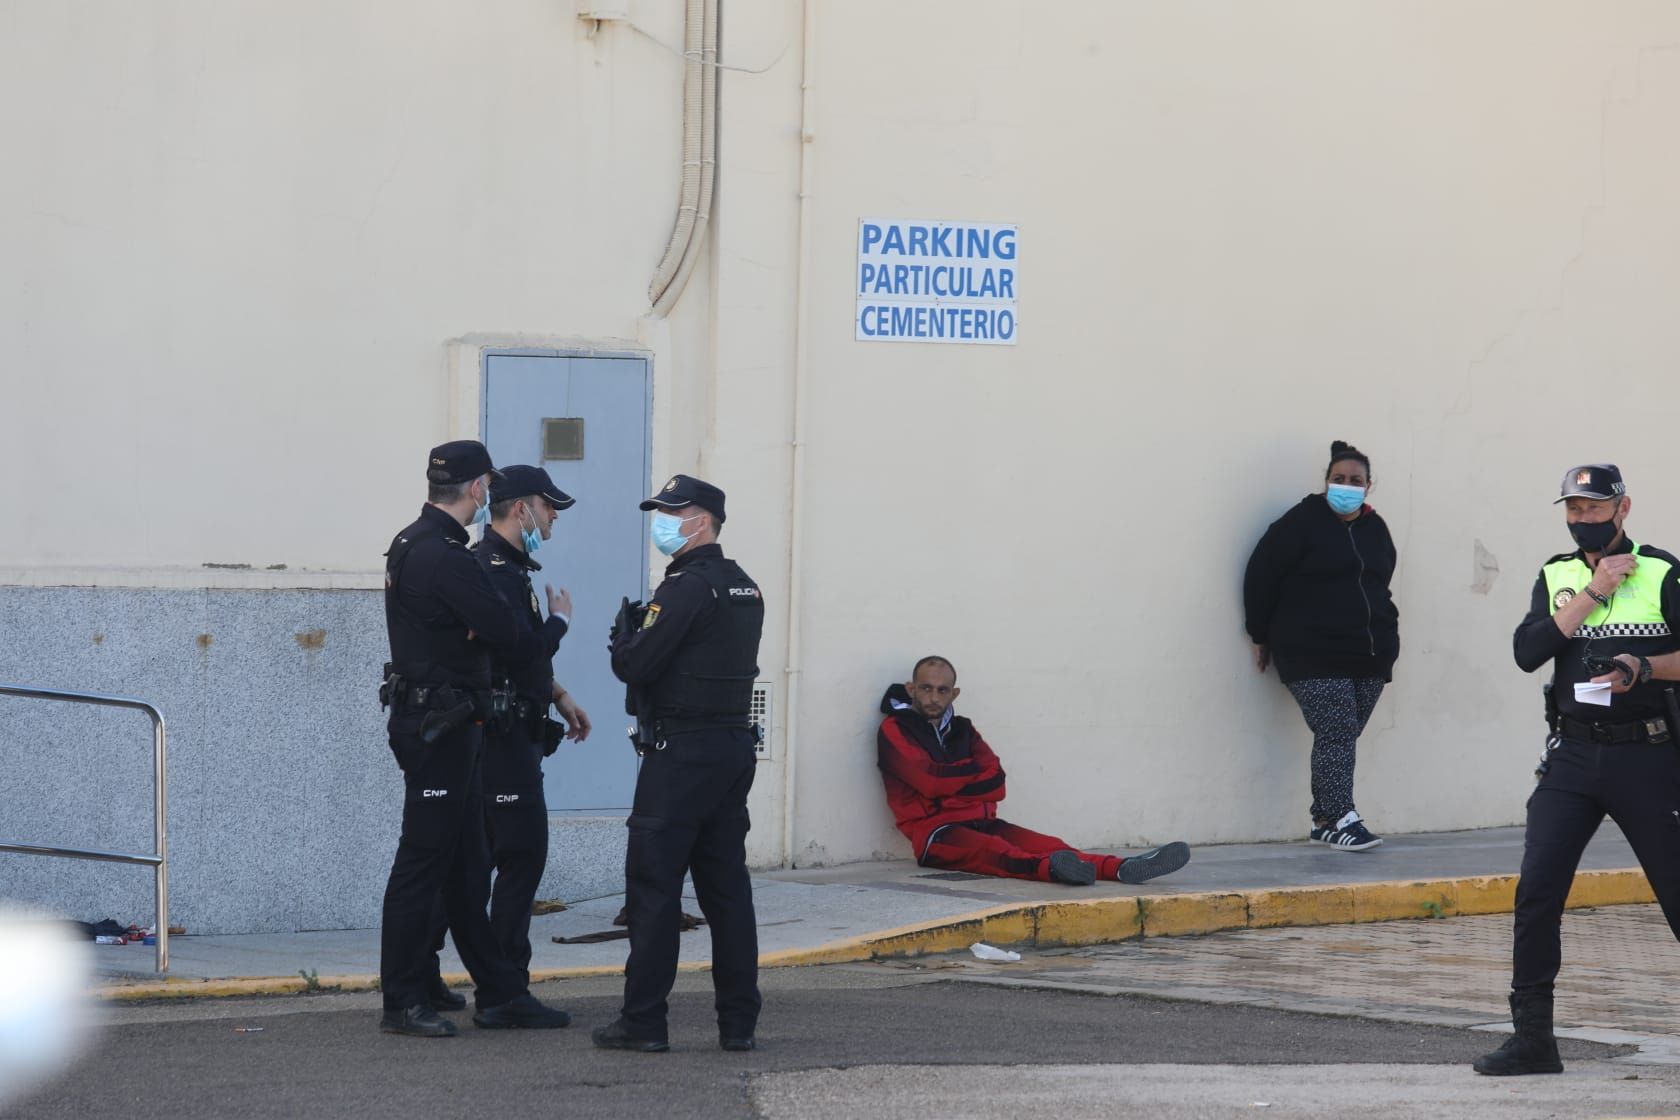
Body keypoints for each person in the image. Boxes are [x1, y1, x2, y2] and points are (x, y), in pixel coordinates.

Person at [1474, 463, 1680, 1077]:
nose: (1583, 520)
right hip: (1572, 755)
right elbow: (1527, 651)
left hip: (1646, 752)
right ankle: (1533, 1038)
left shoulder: (1664, 572)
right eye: (1574, 510)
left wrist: (1643, 669)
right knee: (1537, 891)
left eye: (1594, 508)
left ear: (1623, 508)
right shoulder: (1557, 574)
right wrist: (1592, 593)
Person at [377, 440, 572, 1037]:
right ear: (479, 489)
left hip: (446, 725)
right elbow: (509, 636)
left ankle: (501, 991)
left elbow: (487, 631)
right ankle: (402, 1000)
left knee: (465, 870)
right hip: (441, 728)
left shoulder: (414, 543)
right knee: (421, 867)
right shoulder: (444, 556)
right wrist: (538, 624)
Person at [592, 474, 764, 1055]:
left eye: (673, 511)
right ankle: (738, 1024)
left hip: (682, 754)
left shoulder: (688, 588)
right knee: (727, 891)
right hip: (731, 749)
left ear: (704, 519)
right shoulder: (744, 587)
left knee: (654, 889)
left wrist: (622, 641)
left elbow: (636, 666)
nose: (662, 522)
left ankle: (643, 1023)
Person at [420, 465, 595, 1006]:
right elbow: (516, 649)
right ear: (522, 509)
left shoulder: (508, 567)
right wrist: (560, 623)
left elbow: (511, 655)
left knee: (476, 864)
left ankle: (428, 975)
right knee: (519, 856)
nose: (555, 517)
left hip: (510, 727)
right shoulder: (492, 569)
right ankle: (504, 988)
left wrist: (559, 695)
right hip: (501, 737)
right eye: (548, 507)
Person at [877, 656, 1191, 886]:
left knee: (1049, 844)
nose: (933, 698)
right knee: (998, 853)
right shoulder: (895, 729)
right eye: (926, 689)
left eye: (942, 690)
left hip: (983, 820)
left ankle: (1121, 868)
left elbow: (997, 783)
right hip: (936, 834)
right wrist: (969, 775)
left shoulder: (963, 729)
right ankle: (1053, 872)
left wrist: (952, 777)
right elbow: (930, 782)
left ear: (954, 694)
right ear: (912, 688)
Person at [1243, 440, 1399, 851]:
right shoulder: (1299, 524)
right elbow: (1260, 576)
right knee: (1336, 729)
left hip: (1367, 653)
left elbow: (1380, 584)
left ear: (1369, 486)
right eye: (1339, 479)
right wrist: (1259, 635)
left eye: (1356, 480)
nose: (1346, 486)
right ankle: (1337, 816)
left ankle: (1323, 822)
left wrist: (1388, 640)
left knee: (1343, 733)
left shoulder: (1375, 529)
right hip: (1310, 650)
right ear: (1326, 481)